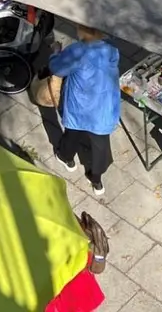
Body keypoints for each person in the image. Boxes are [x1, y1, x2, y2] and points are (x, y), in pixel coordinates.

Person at [49, 25, 121, 196]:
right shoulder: (111, 50)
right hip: (103, 106)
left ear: (83, 30)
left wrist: (54, 52)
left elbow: (57, 68)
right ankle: (96, 180)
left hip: (80, 106)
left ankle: (67, 158)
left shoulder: (77, 51)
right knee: (101, 144)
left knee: (72, 134)